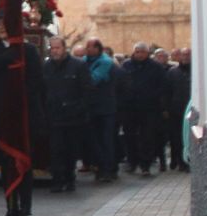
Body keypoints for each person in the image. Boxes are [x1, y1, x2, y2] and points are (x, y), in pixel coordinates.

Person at [0, 33, 46, 216]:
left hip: (23, 117)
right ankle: (11, 207)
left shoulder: (29, 50)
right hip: (0, 117)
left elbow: (37, 81)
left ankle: (26, 208)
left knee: (23, 162)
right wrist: (4, 59)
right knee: (6, 164)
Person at [41, 36, 90, 193]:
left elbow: (87, 91)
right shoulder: (47, 66)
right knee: (56, 150)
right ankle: (57, 180)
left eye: (57, 48)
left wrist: (79, 109)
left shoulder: (78, 65)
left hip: (73, 117)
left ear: (64, 48)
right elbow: (42, 90)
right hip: (54, 116)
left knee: (71, 150)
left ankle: (69, 178)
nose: (54, 51)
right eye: (52, 48)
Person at [118, 42, 167, 176]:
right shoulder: (126, 66)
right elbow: (120, 84)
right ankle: (132, 162)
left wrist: (154, 98)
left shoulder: (155, 67)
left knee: (147, 136)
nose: (139, 54)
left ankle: (146, 164)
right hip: (129, 108)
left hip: (149, 108)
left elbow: (162, 86)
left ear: (147, 53)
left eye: (142, 52)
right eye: (137, 52)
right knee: (129, 136)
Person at [83, 38, 118, 182]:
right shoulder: (84, 60)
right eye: (87, 47)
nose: (88, 50)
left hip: (105, 108)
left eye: (91, 47)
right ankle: (98, 166)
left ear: (98, 48)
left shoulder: (105, 62)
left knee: (106, 140)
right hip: (91, 107)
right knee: (94, 140)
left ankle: (108, 168)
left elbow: (93, 80)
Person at [163, 48, 192, 172]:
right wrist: (165, 108)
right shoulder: (172, 72)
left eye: (188, 54)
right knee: (176, 137)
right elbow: (166, 92)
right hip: (176, 110)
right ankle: (179, 161)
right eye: (183, 55)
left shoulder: (196, 71)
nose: (185, 57)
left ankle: (187, 161)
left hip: (191, 109)